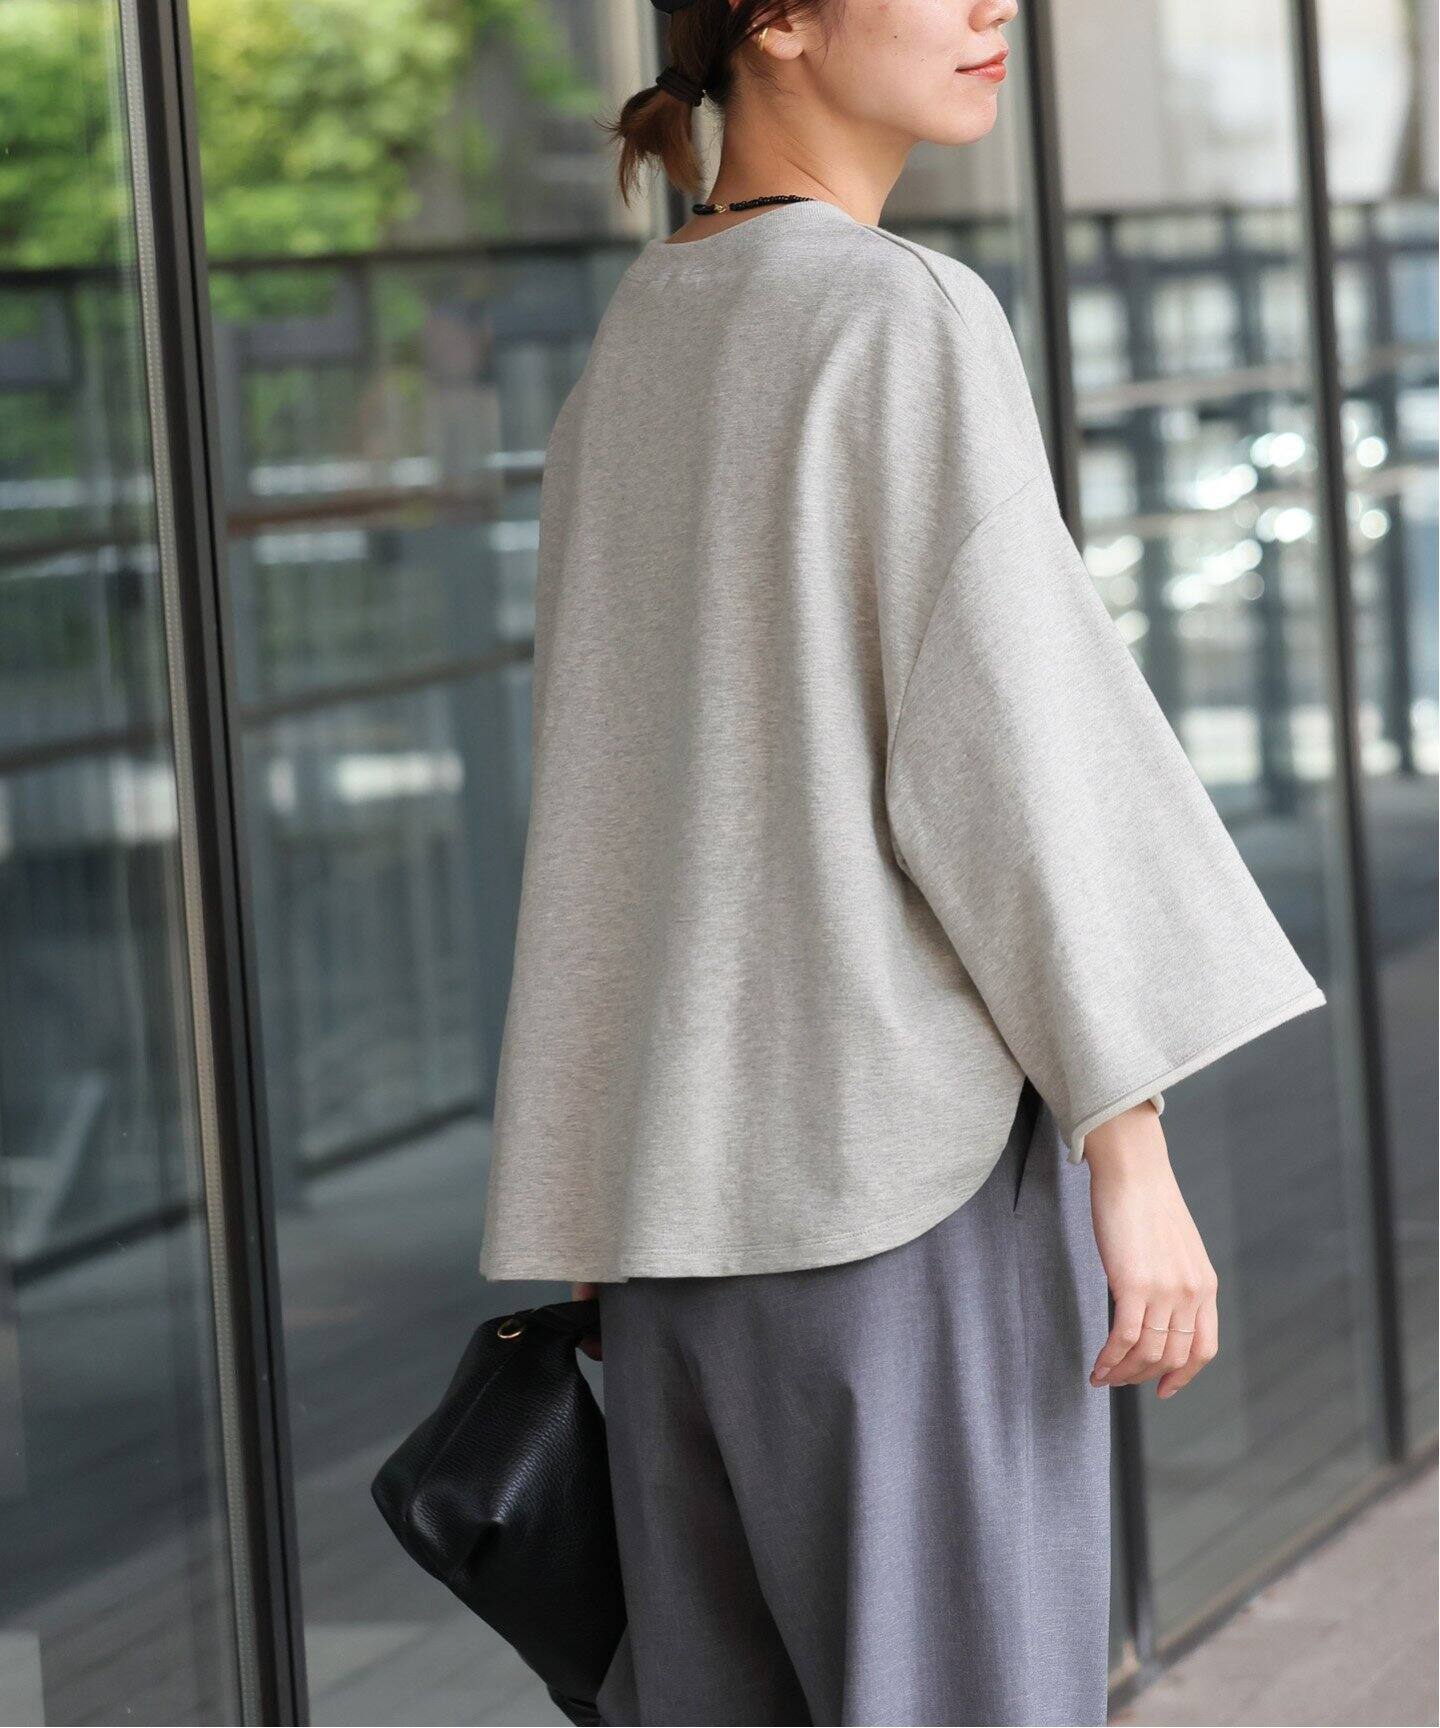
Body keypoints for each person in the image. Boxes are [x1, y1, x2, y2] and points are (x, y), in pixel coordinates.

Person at [478, 1, 1328, 1722]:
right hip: (885, 1198)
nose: (992, 6)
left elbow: (608, 790)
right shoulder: (898, 312)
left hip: (668, 1229)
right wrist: (1130, 1152)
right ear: (780, 24)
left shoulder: (643, 333)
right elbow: (1013, 749)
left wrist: (591, 1190)